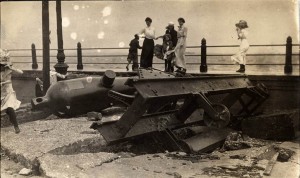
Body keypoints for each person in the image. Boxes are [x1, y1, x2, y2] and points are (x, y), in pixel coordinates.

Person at [0, 49, 23, 133]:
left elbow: (21, 73)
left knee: (10, 108)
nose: (2, 66)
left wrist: (12, 68)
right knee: (7, 111)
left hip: (8, 91)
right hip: (1, 91)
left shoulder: (8, 70)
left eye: (3, 65)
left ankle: (16, 126)